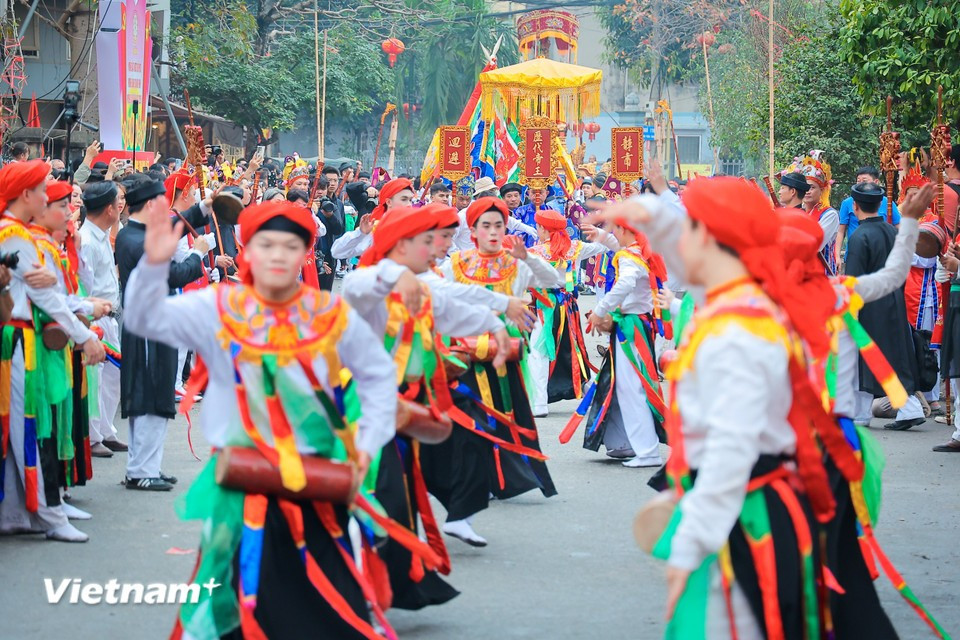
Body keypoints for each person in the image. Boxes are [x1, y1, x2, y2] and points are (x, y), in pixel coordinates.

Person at [123, 199, 413, 639]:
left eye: (291, 245)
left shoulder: (330, 314)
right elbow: (143, 318)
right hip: (243, 481)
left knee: (326, 605)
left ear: (305, 253)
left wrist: (365, 449)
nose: (278, 254)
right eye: (266, 244)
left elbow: (377, 379)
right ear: (246, 249)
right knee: (239, 607)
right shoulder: (217, 306)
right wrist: (152, 265)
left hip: (315, 480)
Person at [601, 178, 840, 638]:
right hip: (740, 506)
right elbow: (685, 259)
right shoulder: (732, 302)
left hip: (747, 516)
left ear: (709, 239)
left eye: (687, 231)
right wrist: (657, 213)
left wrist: (688, 546)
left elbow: (732, 451)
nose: (673, 247)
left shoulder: (737, 331)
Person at [344, 205, 511, 605]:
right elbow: (358, 283)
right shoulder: (371, 285)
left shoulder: (420, 286)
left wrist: (498, 323)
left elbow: (454, 310)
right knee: (370, 495)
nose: (437, 248)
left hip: (405, 406)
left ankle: (378, 581)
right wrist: (394, 273)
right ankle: (352, 584)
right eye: (427, 241)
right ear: (401, 245)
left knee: (393, 494)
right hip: (361, 411)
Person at [0, 160, 104, 542]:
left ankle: (24, 512)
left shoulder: (22, 235)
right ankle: (49, 513)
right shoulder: (14, 235)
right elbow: (46, 296)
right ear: (26, 195)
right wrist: (84, 337)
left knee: (27, 428)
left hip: (23, 341)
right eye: (43, 191)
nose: (48, 197)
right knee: (30, 429)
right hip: (19, 344)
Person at [442, 197, 561, 507]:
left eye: (499, 225)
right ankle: (475, 476)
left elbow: (554, 281)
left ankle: (502, 476)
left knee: (506, 411)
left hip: (504, 350)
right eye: (486, 225)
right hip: (466, 349)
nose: (493, 232)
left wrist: (530, 260)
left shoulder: (516, 263)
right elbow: (437, 295)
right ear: (474, 231)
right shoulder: (456, 263)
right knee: (471, 413)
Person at [115, 174, 209, 491]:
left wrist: (205, 207)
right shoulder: (136, 240)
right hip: (146, 326)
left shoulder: (142, 231)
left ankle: (147, 466)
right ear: (153, 204)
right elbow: (174, 275)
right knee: (148, 395)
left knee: (157, 395)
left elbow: (177, 224)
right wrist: (198, 253)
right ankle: (141, 470)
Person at [560, 214, 667, 467]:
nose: (613, 234)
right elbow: (621, 249)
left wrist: (601, 309)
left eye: (615, 229)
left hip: (631, 328)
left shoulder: (629, 257)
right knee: (631, 388)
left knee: (631, 390)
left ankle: (647, 451)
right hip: (636, 325)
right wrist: (603, 238)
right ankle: (639, 446)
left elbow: (626, 282)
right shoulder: (640, 250)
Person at [845, 181, 926, 430]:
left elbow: (853, 280)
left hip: (869, 306)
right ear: (881, 205)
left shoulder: (859, 236)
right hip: (894, 299)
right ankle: (906, 408)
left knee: (865, 358)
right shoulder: (893, 231)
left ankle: (862, 413)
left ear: (855, 206)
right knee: (894, 356)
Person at [525, 209, 615, 417]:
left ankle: (539, 403)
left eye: (539, 227)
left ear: (543, 230)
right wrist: (603, 232)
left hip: (545, 306)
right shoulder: (575, 247)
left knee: (538, 352)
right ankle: (593, 394)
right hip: (567, 306)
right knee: (573, 349)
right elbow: (603, 247)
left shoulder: (536, 252)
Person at [77, 182, 129, 458]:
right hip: (95, 318)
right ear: (109, 209)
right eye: (117, 202)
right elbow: (84, 287)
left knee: (111, 377)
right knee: (95, 378)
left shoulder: (101, 235)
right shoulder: (86, 240)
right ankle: (93, 435)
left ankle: (106, 430)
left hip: (109, 317)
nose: (121, 207)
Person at [330, 177, 414, 260]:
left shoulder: (416, 229)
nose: (409, 204)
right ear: (389, 202)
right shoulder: (375, 228)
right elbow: (337, 252)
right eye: (404, 199)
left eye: (410, 200)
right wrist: (361, 233)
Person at [836, 166, 901, 262]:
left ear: (876, 182)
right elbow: (841, 231)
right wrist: (837, 255)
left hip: (882, 254)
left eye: (864, 180)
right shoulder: (847, 203)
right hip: (855, 252)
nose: (860, 183)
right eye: (858, 180)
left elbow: (899, 227)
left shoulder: (887, 202)